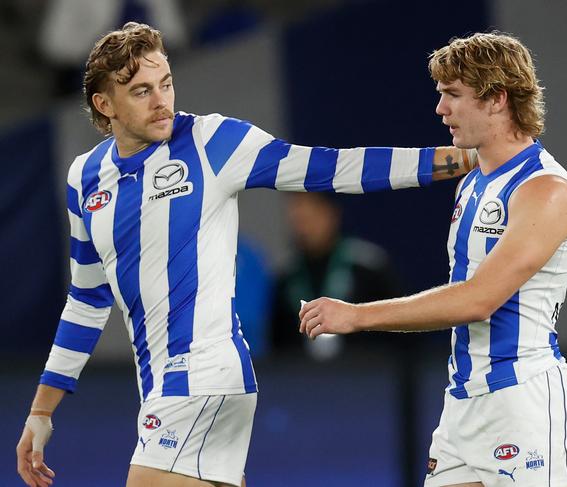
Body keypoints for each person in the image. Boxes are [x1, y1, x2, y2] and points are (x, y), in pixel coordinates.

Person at [15, 22, 477, 487]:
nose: (162, 102)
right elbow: (87, 301)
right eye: (141, 91)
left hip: (202, 377)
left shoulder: (212, 141)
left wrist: (454, 161)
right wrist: (41, 410)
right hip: (164, 388)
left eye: (166, 84)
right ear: (104, 104)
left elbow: (329, 168)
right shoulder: (85, 178)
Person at [300, 32, 567, 487]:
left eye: (453, 95)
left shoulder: (545, 192)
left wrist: (357, 316)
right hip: (462, 405)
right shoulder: (472, 180)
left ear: (496, 99)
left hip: (522, 403)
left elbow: (477, 301)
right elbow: (412, 164)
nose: (440, 109)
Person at [272, 192, 402, 360]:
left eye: (311, 217)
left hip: (368, 376)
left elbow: (401, 336)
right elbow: (277, 349)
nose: (304, 228)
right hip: (304, 381)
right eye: (299, 220)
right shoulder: (286, 279)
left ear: (332, 213)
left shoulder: (369, 268)